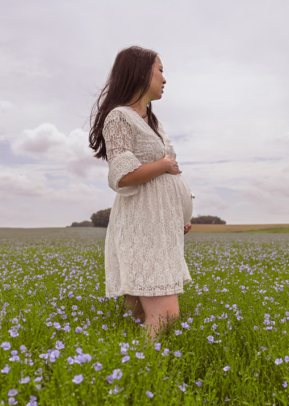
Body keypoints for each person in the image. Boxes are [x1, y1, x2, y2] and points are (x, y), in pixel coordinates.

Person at [88, 46, 194, 341]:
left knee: (135, 315)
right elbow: (122, 177)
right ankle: (140, 370)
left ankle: (123, 368)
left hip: (161, 227)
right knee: (165, 314)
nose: (164, 78)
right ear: (140, 72)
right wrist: (163, 164)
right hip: (142, 227)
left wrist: (182, 213)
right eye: (160, 70)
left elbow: (169, 175)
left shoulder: (153, 121)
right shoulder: (119, 118)